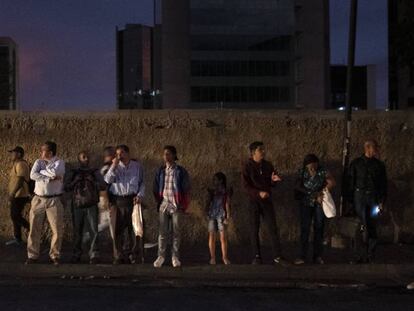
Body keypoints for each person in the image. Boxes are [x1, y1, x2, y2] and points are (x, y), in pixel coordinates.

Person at [242, 141, 286, 265]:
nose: (263, 152)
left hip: (267, 201)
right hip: (254, 201)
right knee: (254, 229)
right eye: (260, 150)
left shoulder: (268, 165)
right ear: (253, 153)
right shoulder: (247, 167)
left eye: (263, 149)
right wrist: (258, 193)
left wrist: (274, 181)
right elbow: (246, 187)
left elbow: (271, 183)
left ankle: (278, 256)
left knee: (273, 227)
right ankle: (256, 256)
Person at [104, 145, 145, 265]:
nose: (119, 156)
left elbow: (142, 182)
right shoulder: (114, 167)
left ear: (127, 153)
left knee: (133, 229)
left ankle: (133, 255)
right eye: (117, 153)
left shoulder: (137, 166)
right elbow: (107, 180)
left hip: (132, 200)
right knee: (117, 230)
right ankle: (118, 255)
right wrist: (114, 166)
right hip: (117, 201)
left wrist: (140, 195)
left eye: (121, 153)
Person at [26, 141, 65, 265]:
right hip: (38, 199)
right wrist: (48, 178)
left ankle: (55, 255)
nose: (41, 152)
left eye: (43, 150)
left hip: (54, 200)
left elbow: (55, 173)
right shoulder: (38, 162)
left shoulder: (59, 162)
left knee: (57, 229)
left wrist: (42, 172)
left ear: (50, 152)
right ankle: (32, 255)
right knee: (34, 228)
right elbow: (32, 175)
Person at [349, 140, 387, 264]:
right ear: (367, 148)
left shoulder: (379, 165)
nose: (376, 150)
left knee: (372, 225)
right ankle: (357, 255)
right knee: (360, 226)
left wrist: (381, 202)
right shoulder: (356, 163)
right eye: (374, 147)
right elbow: (350, 182)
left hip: (373, 198)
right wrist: (350, 202)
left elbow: (383, 185)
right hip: (359, 197)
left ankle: (370, 255)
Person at [293, 154, 335, 265]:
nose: (312, 169)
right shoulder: (302, 171)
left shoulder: (322, 171)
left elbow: (331, 182)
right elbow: (297, 186)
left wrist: (322, 192)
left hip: (319, 203)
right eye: (310, 167)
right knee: (305, 229)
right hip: (306, 203)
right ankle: (302, 256)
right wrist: (311, 194)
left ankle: (317, 256)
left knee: (319, 228)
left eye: (314, 166)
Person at [153, 146, 190, 268]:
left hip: (176, 205)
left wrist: (183, 205)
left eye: (168, 154)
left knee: (176, 232)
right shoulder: (161, 171)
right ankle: (161, 256)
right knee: (162, 232)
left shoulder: (180, 171)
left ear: (174, 155)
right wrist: (159, 201)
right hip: (164, 205)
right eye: (164, 154)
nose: (166, 157)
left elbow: (186, 189)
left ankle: (175, 256)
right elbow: (156, 187)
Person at [65, 151, 105, 264]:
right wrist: (75, 181)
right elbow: (66, 187)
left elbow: (103, 186)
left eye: (88, 157)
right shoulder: (74, 172)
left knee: (93, 230)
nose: (86, 159)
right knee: (77, 231)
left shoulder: (94, 172)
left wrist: (93, 182)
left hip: (91, 204)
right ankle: (76, 254)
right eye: (83, 157)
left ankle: (94, 254)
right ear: (79, 159)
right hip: (77, 204)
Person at [6, 146, 30, 246]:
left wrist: (13, 193)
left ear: (19, 154)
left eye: (13, 153)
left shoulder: (21, 164)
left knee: (15, 215)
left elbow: (20, 180)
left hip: (20, 195)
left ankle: (30, 228)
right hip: (16, 195)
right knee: (15, 216)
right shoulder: (16, 164)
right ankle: (18, 238)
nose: (11, 155)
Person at [206, 172, 231, 265]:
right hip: (212, 214)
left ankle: (224, 257)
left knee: (223, 237)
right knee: (212, 236)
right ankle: (212, 257)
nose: (214, 181)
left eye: (216, 179)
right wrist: (206, 211)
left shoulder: (225, 191)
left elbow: (227, 203)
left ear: (221, 180)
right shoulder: (212, 191)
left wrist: (228, 215)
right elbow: (208, 202)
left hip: (221, 214)